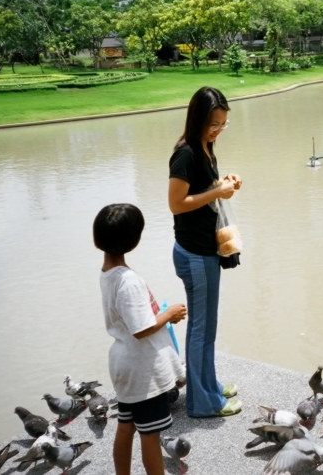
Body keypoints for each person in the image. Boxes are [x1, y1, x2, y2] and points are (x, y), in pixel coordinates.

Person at [94, 203, 187, 475]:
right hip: (142, 369)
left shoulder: (108, 275)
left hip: (125, 364)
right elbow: (141, 328)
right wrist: (169, 314)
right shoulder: (128, 280)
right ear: (134, 241)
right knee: (150, 434)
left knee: (126, 426)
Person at [168, 87, 244, 418]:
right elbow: (176, 203)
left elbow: (203, 191)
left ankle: (209, 386)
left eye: (223, 124)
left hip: (206, 249)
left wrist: (224, 183)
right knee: (199, 328)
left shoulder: (207, 148)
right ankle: (201, 402)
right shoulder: (185, 154)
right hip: (194, 253)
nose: (218, 130)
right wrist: (215, 191)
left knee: (208, 325)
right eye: (214, 123)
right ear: (199, 118)